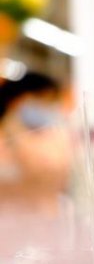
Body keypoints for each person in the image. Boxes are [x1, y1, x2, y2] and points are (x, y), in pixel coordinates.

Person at [0, 72, 72, 214]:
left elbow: (57, 173)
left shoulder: (47, 138)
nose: (48, 108)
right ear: (17, 100)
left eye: (52, 101)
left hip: (45, 218)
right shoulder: (7, 137)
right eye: (42, 100)